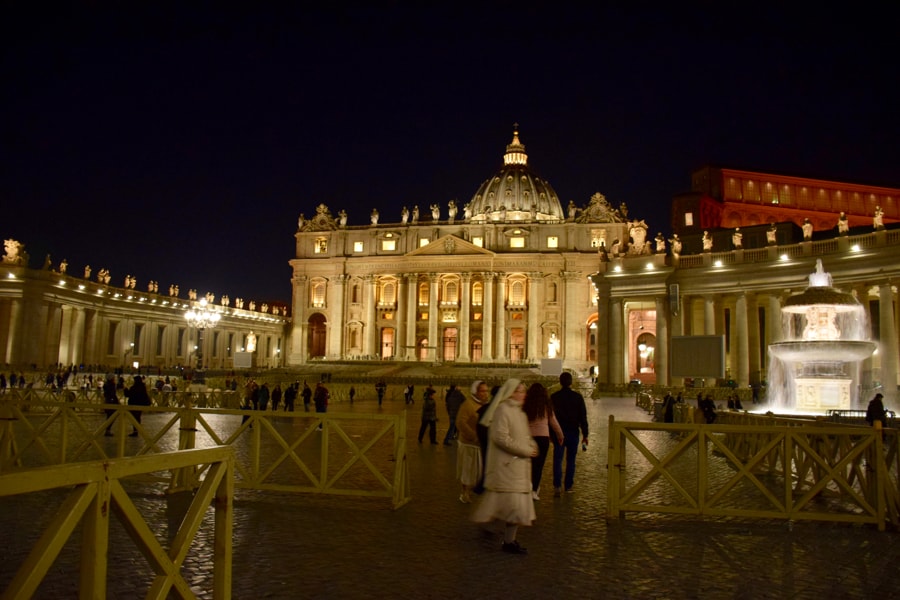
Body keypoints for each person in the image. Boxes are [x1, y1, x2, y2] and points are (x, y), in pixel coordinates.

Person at [470, 379, 538, 555]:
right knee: (511, 505)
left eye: (524, 391)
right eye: (520, 391)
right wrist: (525, 450)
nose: (524, 395)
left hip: (516, 467)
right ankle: (502, 535)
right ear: (511, 393)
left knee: (512, 506)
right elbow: (500, 437)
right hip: (507, 466)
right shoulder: (502, 410)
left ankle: (503, 535)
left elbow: (523, 435)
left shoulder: (520, 413)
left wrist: (532, 445)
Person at [550, 371, 588, 496]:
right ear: (571, 382)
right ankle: (568, 486)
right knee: (571, 460)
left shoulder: (554, 397)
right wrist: (585, 434)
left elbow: (550, 417)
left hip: (558, 432)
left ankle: (557, 486)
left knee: (558, 459)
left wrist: (551, 434)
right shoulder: (577, 397)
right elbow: (583, 417)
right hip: (573, 432)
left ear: (560, 382)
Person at [523, 382, 563, 500]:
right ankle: (534, 490)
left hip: (529, 437)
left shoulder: (526, 405)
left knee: (529, 464)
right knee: (539, 466)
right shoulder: (546, 405)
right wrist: (560, 436)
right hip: (543, 438)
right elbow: (554, 422)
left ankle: (528, 487)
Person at [456, 380, 490, 503]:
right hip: (469, 444)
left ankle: (476, 491)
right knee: (468, 469)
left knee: (479, 471)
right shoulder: (468, 405)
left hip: (481, 444)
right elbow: (460, 422)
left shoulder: (486, 405)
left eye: (486, 391)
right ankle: (464, 492)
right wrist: (473, 436)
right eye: (482, 391)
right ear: (475, 391)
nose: (485, 394)